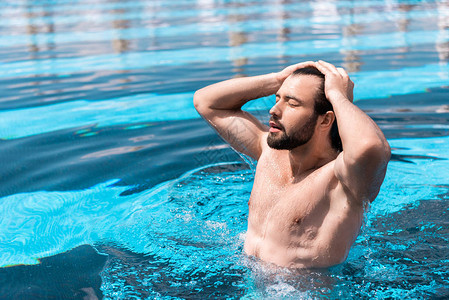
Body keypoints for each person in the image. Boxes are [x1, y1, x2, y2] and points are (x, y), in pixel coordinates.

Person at [193, 61, 390, 268]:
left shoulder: (344, 181)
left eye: (292, 103)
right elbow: (206, 102)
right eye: (277, 99)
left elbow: (371, 146)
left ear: (325, 120)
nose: (273, 110)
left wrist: (338, 96)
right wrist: (277, 79)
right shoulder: (269, 153)